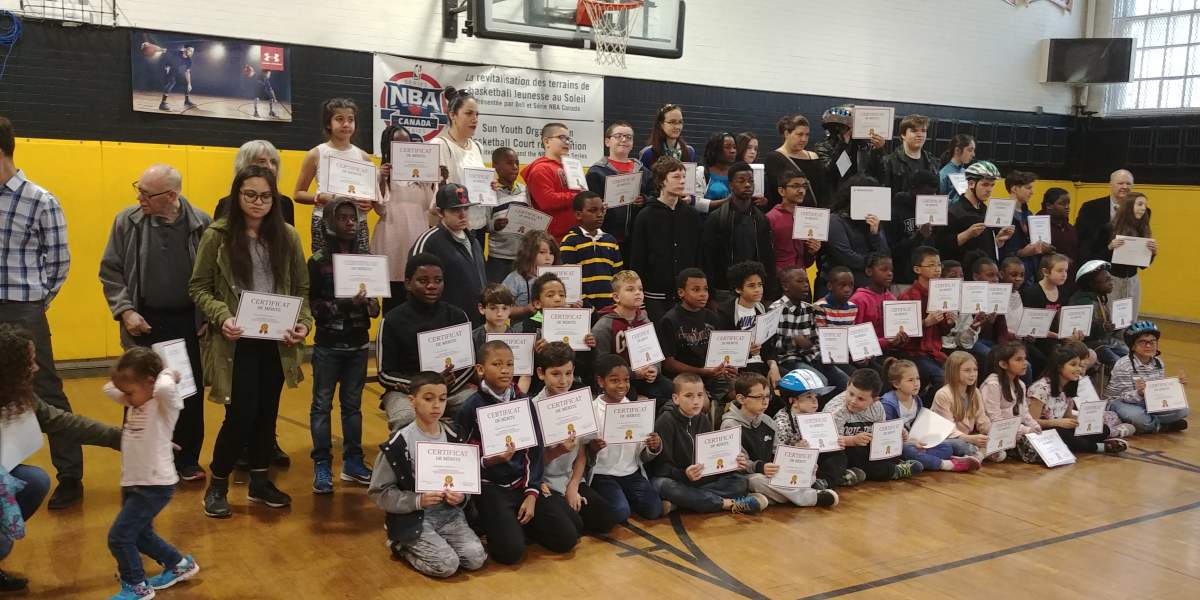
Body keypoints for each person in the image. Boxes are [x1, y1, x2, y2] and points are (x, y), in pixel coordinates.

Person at [190, 165, 313, 518]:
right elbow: (198, 287)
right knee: (240, 414)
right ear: (237, 196)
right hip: (236, 340)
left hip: (277, 340)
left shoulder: (287, 236)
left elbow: (301, 290)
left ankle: (260, 482)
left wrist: (302, 324)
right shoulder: (217, 235)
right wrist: (222, 316)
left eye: (265, 196)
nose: (258, 202)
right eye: (250, 195)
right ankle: (217, 484)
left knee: (266, 414)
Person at [99, 164, 211, 482]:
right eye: (139, 189)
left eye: (147, 193)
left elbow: (215, 274)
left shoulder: (201, 223)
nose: (140, 197)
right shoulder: (127, 221)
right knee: (138, 393)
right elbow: (110, 270)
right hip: (143, 320)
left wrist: (205, 316)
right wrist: (125, 311)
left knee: (186, 394)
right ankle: (142, 458)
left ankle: (186, 459)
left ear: (171, 195)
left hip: (186, 321)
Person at [0, 324, 123, 592]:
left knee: (35, 480)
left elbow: (64, 422)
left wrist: (121, 439)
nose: (35, 368)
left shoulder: (20, 395)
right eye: (28, 362)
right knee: (4, 539)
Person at [0, 116, 82, 510]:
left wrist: (35, 302)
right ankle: (7, 474)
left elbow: (60, 262)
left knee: (44, 390)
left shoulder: (40, 200)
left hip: (24, 309)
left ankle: (70, 475)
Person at [455, 341, 580, 564]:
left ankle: (517, 523)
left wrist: (532, 493)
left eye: (510, 364)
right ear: (480, 369)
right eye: (497, 364)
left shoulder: (524, 402)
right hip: (490, 487)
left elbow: (535, 452)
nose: (505, 369)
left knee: (568, 538)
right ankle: (492, 523)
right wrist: (488, 460)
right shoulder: (470, 407)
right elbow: (462, 458)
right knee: (510, 553)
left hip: (522, 484)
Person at [367, 371, 487, 578]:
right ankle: (401, 545)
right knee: (447, 566)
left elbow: (466, 483)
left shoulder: (455, 437)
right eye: (428, 399)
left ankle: (437, 541)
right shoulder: (398, 444)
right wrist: (417, 500)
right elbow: (379, 492)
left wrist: (461, 497)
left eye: (442, 399)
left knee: (475, 559)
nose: (436, 405)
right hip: (415, 517)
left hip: (450, 515)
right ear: (412, 401)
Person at [102, 348, 199, 600]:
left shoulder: (164, 404)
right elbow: (108, 388)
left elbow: (165, 387)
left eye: (130, 392)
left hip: (154, 484)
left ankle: (136, 585)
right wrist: (129, 388)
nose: (126, 398)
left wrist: (168, 372)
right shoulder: (138, 399)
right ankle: (178, 564)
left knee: (119, 537)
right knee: (141, 534)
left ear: (150, 382)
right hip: (133, 481)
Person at [307, 198, 381, 493]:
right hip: (328, 344)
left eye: (354, 218)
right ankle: (322, 465)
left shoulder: (368, 259)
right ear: (329, 222)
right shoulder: (317, 262)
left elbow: (375, 304)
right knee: (321, 407)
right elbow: (313, 306)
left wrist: (372, 305)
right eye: (343, 218)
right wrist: (346, 303)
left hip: (358, 343)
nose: (350, 222)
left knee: (353, 408)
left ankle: (353, 462)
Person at [377, 253, 476, 433]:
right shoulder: (392, 320)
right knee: (405, 418)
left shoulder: (457, 315)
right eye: (423, 281)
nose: (431, 286)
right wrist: (422, 385)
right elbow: (384, 374)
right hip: (406, 392)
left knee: (479, 406)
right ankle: (407, 460)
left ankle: (467, 457)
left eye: (438, 280)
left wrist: (443, 386)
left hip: (452, 390)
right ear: (408, 283)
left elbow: (469, 365)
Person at [532, 343, 622, 536]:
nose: (564, 381)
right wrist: (558, 450)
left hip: (569, 478)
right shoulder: (533, 409)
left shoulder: (578, 402)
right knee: (569, 533)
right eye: (556, 374)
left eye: (568, 373)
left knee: (606, 519)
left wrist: (573, 486)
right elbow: (531, 464)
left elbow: (581, 451)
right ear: (541, 373)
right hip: (542, 482)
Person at [648, 373, 766, 515]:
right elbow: (660, 468)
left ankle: (682, 502)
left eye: (700, 395)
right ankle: (727, 504)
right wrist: (684, 474)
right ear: (676, 398)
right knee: (664, 486)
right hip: (675, 478)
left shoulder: (703, 419)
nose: (696, 401)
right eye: (689, 396)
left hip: (698, 478)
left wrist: (732, 463)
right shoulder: (665, 421)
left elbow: (710, 459)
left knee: (739, 482)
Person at [722, 372, 840, 508]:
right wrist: (760, 467)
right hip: (748, 475)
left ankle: (769, 497)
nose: (765, 401)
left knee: (811, 467)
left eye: (767, 396)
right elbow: (737, 464)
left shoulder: (768, 421)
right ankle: (811, 497)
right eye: (759, 397)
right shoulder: (730, 424)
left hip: (770, 472)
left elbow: (777, 451)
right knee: (756, 481)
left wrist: (796, 458)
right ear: (741, 399)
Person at [293, 97, 375, 254]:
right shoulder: (316, 154)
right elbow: (298, 194)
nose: (346, 124)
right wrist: (320, 197)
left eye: (350, 120)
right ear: (328, 124)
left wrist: (368, 203)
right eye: (339, 119)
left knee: (357, 271)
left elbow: (369, 197)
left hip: (357, 222)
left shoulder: (363, 156)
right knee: (325, 271)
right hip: (325, 222)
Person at [589, 355, 665, 521]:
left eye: (626, 380)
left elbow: (642, 454)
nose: (622, 385)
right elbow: (583, 454)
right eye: (615, 380)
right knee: (620, 512)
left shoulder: (636, 409)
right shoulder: (592, 411)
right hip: (603, 473)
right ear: (601, 381)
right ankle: (615, 499)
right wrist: (593, 449)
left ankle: (624, 497)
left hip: (630, 472)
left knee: (654, 510)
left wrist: (652, 446)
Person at [629, 157, 703, 322]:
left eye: (684, 177)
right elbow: (637, 259)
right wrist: (638, 298)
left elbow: (699, 254)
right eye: (676, 177)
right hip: (654, 295)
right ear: (661, 180)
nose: (682, 181)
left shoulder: (691, 215)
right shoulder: (645, 216)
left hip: (685, 296)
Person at [1027, 341, 1129, 456]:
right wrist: (1057, 422)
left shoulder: (1068, 386)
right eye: (1073, 365)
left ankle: (1096, 440)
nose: (1079, 369)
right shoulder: (1041, 388)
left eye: (1080, 365)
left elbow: (1068, 416)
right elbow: (1031, 421)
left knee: (1102, 429)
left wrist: (1087, 421)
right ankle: (1097, 446)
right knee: (1064, 435)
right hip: (1043, 430)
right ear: (1059, 367)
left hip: (1060, 426)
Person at [591, 270, 674, 411]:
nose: (638, 293)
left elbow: (655, 352)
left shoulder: (644, 319)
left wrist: (655, 368)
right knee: (631, 397)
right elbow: (600, 363)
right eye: (630, 289)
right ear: (616, 297)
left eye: (640, 289)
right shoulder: (604, 325)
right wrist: (633, 373)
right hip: (620, 380)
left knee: (674, 391)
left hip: (645, 378)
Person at [771, 367, 867, 488]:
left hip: (813, 459)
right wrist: (795, 448)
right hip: (794, 464)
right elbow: (775, 455)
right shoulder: (782, 421)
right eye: (809, 397)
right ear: (793, 401)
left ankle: (824, 481)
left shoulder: (814, 416)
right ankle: (836, 478)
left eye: (815, 396)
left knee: (838, 454)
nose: (815, 401)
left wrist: (835, 442)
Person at [376, 125, 438, 311]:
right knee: (393, 294)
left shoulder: (423, 175)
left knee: (417, 292)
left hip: (417, 237)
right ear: (388, 146)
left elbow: (432, 207)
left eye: (407, 142)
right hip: (392, 239)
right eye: (398, 143)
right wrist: (381, 178)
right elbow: (379, 208)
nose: (403, 146)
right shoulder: (382, 175)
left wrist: (438, 180)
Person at [880, 358, 982, 472]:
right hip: (900, 444)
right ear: (896, 384)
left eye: (917, 378)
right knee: (907, 450)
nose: (916, 383)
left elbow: (919, 426)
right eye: (910, 380)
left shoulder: (916, 399)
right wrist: (910, 442)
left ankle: (927, 459)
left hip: (916, 441)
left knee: (946, 447)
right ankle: (947, 464)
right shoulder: (888, 404)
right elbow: (888, 436)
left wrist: (925, 441)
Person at [822, 369, 924, 481]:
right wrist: (852, 440)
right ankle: (894, 471)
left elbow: (881, 436)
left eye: (861, 399)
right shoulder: (836, 410)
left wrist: (897, 435)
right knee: (850, 455)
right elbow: (829, 443)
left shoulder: (877, 407)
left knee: (894, 450)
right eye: (850, 394)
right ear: (847, 385)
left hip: (865, 450)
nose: (853, 401)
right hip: (842, 451)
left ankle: (853, 474)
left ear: (874, 400)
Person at [407, 184, 487, 326]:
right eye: (455, 209)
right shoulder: (429, 241)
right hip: (445, 325)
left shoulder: (473, 241)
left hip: (476, 321)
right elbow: (414, 287)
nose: (463, 214)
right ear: (440, 212)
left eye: (466, 208)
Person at [657, 269, 734, 416]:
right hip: (685, 376)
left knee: (742, 393)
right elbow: (669, 364)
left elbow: (722, 351)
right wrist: (703, 372)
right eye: (696, 289)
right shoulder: (669, 320)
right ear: (681, 293)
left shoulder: (712, 317)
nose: (703, 294)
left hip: (711, 372)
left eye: (705, 289)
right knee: (701, 404)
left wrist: (728, 367)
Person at [769, 267, 848, 402]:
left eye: (806, 281)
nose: (806, 285)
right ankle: (817, 413)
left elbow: (813, 341)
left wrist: (828, 352)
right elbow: (771, 346)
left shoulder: (810, 309)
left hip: (810, 357)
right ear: (785, 286)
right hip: (789, 360)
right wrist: (795, 341)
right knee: (819, 381)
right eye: (800, 281)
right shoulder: (775, 310)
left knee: (844, 380)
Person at [702, 164, 775, 297]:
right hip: (723, 291)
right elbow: (707, 260)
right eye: (741, 181)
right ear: (731, 185)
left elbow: (768, 259)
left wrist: (768, 294)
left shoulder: (761, 219)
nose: (747, 185)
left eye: (751, 181)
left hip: (754, 290)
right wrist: (711, 294)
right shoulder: (716, 218)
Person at [716, 261, 781, 410]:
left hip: (762, 363)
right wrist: (746, 352)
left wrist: (773, 365)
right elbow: (722, 350)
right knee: (770, 398)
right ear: (738, 289)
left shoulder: (762, 309)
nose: (758, 290)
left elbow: (769, 345)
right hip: (741, 368)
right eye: (752, 286)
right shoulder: (725, 313)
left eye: (760, 285)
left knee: (794, 384)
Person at [1105, 321, 1189, 434]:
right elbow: (1123, 397)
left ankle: (1150, 425)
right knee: (1139, 418)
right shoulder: (1124, 365)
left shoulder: (1158, 363)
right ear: (1133, 346)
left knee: (1183, 410)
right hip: (1119, 401)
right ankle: (1162, 426)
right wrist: (1139, 393)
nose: (1148, 346)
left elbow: (1158, 391)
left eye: (1152, 342)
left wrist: (1177, 387)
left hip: (1146, 400)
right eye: (1142, 342)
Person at [586, 121, 652, 258]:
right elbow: (588, 206)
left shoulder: (643, 171)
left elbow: (656, 195)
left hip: (637, 239)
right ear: (607, 141)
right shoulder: (596, 172)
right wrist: (599, 206)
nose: (624, 140)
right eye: (618, 136)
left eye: (629, 137)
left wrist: (645, 199)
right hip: (606, 239)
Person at [898, 247, 957, 394]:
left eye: (938, 265)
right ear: (917, 269)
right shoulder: (908, 295)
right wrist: (925, 323)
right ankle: (926, 408)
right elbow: (901, 334)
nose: (937, 269)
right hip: (914, 353)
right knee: (941, 379)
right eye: (931, 265)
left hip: (935, 351)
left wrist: (948, 322)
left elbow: (942, 331)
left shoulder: (941, 293)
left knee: (961, 373)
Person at [429, 87, 487, 230]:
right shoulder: (439, 145)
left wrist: (489, 187)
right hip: (452, 225)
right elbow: (436, 192)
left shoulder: (477, 147)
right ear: (452, 115)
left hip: (477, 223)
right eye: (468, 113)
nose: (475, 119)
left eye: (477, 114)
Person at [931, 351, 1005, 462]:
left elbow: (982, 420)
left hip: (967, 438)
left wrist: (995, 433)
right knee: (959, 445)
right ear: (954, 372)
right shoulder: (943, 394)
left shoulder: (975, 392)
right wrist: (970, 439)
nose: (973, 374)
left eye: (975, 370)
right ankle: (979, 453)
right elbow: (948, 430)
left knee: (1001, 450)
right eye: (967, 370)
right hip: (947, 438)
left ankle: (977, 454)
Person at [821, 175, 888, 291]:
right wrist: (872, 263)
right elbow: (846, 256)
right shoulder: (835, 220)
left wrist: (875, 234)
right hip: (840, 289)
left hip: (870, 288)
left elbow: (885, 256)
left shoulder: (874, 222)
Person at [559, 191, 623, 310]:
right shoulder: (570, 241)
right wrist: (585, 305)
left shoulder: (611, 240)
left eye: (602, 210)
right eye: (593, 210)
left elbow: (618, 276)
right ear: (578, 215)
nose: (600, 214)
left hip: (610, 306)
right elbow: (569, 280)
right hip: (583, 307)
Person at [979, 340, 1041, 461]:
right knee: (1034, 452)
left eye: (1024, 359)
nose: (1025, 363)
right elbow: (994, 419)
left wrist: (1035, 426)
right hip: (996, 432)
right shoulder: (993, 384)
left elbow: (1024, 413)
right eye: (1018, 360)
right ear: (1003, 364)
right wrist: (1025, 430)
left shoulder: (1021, 385)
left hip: (1016, 431)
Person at [943, 161, 1014, 266]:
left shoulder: (986, 210)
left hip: (987, 273)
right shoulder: (954, 212)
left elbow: (984, 246)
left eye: (992, 185)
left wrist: (998, 241)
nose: (989, 190)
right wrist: (967, 234)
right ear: (971, 184)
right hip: (965, 274)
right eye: (985, 185)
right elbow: (943, 245)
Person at [213, 140, 296, 226]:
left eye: (273, 162)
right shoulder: (226, 204)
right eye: (261, 161)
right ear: (245, 166)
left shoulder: (285, 203)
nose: (270, 167)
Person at [522, 122, 582, 239]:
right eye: (561, 137)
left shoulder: (571, 167)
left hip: (573, 234)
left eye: (568, 139)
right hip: (553, 238)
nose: (567, 142)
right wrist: (576, 196)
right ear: (547, 141)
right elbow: (547, 201)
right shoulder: (540, 169)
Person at [865, 114, 942, 200]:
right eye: (914, 131)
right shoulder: (889, 162)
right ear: (903, 135)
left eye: (923, 131)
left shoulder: (933, 163)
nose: (920, 134)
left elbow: (937, 195)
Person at [888, 170, 940, 295]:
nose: (929, 198)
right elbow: (893, 250)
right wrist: (919, 236)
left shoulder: (933, 210)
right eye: (926, 194)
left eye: (933, 194)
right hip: (903, 279)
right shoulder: (896, 211)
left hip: (928, 278)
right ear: (914, 189)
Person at [1068, 261, 1127, 369]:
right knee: (1117, 363)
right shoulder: (1083, 302)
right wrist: (1102, 327)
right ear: (1092, 284)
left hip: (1104, 341)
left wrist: (1117, 325)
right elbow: (1083, 333)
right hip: (1090, 344)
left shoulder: (1099, 298)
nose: (1111, 283)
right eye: (1106, 280)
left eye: (1110, 279)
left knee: (1131, 356)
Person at [1107, 191, 1156, 320]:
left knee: (1130, 320)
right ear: (1129, 207)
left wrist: (1152, 252)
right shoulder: (1110, 228)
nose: (1143, 208)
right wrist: (1109, 247)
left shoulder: (1143, 229)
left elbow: (1143, 265)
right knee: (1112, 319)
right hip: (1112, 279)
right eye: (1140, 204)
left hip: (1133, 280)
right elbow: (1096, 256)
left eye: (1145, 205)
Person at [814, 105, 885, 193]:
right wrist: (843, 145)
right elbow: (831, 174)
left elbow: (880, 177)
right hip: (837, 198)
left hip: (862, 195)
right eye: (849, 125)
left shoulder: (866, 147)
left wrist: (879, 150)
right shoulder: (823, 147)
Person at [849, 254, 907, 362]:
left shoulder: (892, 299)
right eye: (884, 270)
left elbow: (894, 334)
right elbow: (856, 340)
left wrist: (900, 339)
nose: (889, 273)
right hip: (865, 356)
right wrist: (886, 342)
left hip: (888, 352)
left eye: (891, 270)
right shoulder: (858, 299)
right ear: (869, 271)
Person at [763, 114, 830, 208]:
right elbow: (777, 192)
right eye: (799, 134)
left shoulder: (813, 156)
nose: (804, 139)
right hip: (791, 213)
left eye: (807, 135)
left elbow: (823, 189)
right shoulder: (775, 158)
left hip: (817, 214)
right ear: (787, 134)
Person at [484, 147, 529, 284]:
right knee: (497, 299)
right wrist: (494, 225)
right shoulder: (489, 192)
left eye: (517, 162)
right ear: (495, 166)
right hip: (499, 259)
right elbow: (481, 224)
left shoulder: (526, 191)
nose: (515, 167)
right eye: (509, 163)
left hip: (523, 258)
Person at [1001, 170, 1052, 288]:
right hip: (1011, 275)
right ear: (1014, 189)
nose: (1032, 192)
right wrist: (1023, 252)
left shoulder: (1029, 214)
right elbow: (999, 249)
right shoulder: (1002, 214)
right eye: (1028, 188)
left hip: (1030, 272)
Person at [767, 169, 822, 277]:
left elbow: (808, 262)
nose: (801, 190)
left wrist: (811, 251)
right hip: (780, 279)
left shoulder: (808, 217)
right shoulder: (771, 218)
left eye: (804, 186)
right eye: (795, 186)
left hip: (802, 277)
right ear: (781, 191)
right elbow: (766, 256)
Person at [1076, 169, 1136, 265]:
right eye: (1120, 183)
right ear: (1110, 184)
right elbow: (1080, 238)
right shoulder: (1090, 208)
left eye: (1128, 184)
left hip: (1125, 269)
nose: (1125, 187)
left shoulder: (1140, 210)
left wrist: (1150, 252)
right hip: (1096, 265)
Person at [502, 231, 559, 322]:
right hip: (522, 331)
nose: (548, 257)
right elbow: (501, 309)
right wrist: (524, 310)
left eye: (551, 253)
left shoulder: (558, 278)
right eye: (542, 252)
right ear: (528, 253)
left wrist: (572, 305)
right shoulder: (515, 279)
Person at [637, 103, 697, 172]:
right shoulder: (648, 153)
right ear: (661, 124)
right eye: (672, 122)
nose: (677, 127)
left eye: (680, 122)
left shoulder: (690, 152)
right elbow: (643, 181)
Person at [1036, 187, 1079, 282]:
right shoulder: (1038, 225)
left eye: (1068, 203)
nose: (1067, 207)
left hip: (1068, 278)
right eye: (1062, 204)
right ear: (1049, 206)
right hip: (1047, 279)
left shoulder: (1070, 228)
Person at [700, 132, 738, 205]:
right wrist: (727, 201)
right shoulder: (701, 171)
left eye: (734, 147)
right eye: (727, 147)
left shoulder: (736, 172)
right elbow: (696, 203)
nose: (733, 151)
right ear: (715, 150)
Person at [938, 134, 975, 204]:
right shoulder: (943, 175)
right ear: (957, 150)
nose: (973, 154)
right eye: (970, 150)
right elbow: (940, 203)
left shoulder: (966, 173)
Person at [157, 46, 195, 112]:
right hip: (166, 68)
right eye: (190, 50)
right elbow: (164, 50)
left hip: (175, 71)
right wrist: (153, 48)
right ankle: (162, 103)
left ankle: (186, 101)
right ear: (185, 49)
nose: (191, 52)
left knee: (186, 82)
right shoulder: (177, 52)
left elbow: (187, 72)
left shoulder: (189, 60)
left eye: (192, 51)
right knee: (172, 82)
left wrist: (189, 84)